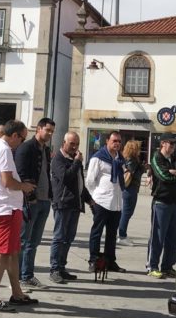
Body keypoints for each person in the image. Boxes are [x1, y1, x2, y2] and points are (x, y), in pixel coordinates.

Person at [0, 119, 37, 312]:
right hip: (5, 207)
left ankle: (17, 293)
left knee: (13, 252)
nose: (21, 143)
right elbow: (8, 181)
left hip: (6, 207)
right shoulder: (4, 150)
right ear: (14, 135)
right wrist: (25, 186)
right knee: (3, 252)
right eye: (22, 139)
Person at [16, 117, 55, 288]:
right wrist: (29, 196)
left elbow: (46, 172)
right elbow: (21, 173)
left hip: (45, 200)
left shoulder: (45, 150)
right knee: (24, 241)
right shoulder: (26, 148)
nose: (50, 134)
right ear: (38, 129)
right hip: (31, 201)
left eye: (52, 131)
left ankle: (27, 275)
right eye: (47, 130)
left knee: (34, 242)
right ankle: (17, 277)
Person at [146, 134, 176, 278]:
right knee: (158, 236)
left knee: (174, 236)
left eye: (174, 144)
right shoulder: (157, 158)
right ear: (163, 144)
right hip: (162, 202)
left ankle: (167, 266)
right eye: (171, 144)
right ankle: (152, 266)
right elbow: (164, 176)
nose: (173, 147)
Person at [85, 130, 126, 274]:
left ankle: (110, 261)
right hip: (101, 201)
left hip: (116, 203)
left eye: (119, 141)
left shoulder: (120, 159)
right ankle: (94, 260)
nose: (117, 144)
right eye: (114, 141)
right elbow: (90, 181)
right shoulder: (98, 158)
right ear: (107, 141)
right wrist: (93, 199)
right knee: (97, 232)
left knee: (112, 234)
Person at [49, 131, 85, 284]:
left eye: (76, 144)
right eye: (72, 144)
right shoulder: (58, 159)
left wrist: (88, 199)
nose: (75, 147)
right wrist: (77, 162)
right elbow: (66, 177)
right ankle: (55, 269)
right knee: (59, 237)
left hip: (75, 205)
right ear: (64, 143)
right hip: (62, 204)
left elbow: (79, 183)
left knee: (68, 238)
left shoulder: (74, 159)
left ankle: (62, 268)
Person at [118, 139, 144, 244]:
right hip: (130, 188)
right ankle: (122, 236)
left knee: (127, 212)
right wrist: (141, 168)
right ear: (134, 149)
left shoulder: (126, 158)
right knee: (127, 212)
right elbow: (132, 174)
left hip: (128, 188)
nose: (140, 150)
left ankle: (121, 234)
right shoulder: (132, 160)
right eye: (138, 148)